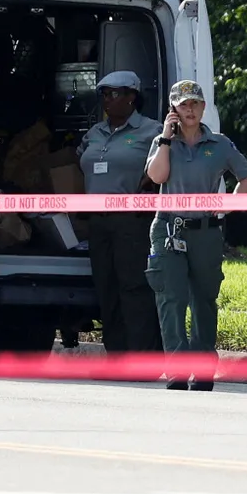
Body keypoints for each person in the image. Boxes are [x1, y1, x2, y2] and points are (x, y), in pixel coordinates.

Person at [144, 80, 247, 391]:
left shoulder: (219, 144)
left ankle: (204, 369)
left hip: (205, 233)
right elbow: (157, 177)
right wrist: (166, 138)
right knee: (171, 299)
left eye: (194, 103)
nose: (189, 109)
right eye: (183, 104)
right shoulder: (161, 142)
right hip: (168, 228)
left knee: (204, 300)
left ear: (204, 107)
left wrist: (229, 206)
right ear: (173, 110)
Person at [76, 71, 164, 354]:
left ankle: (142, 356)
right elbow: (79, 161)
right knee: (107, 287)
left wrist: (151, 182)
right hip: (98, 222)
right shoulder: (95, 132)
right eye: (104, 94)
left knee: (134, 288)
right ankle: (116, 357)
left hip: (132, 221)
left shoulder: (152, 131)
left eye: (114, 94)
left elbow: (168, 166)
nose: (108, 100)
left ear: (131, 97)